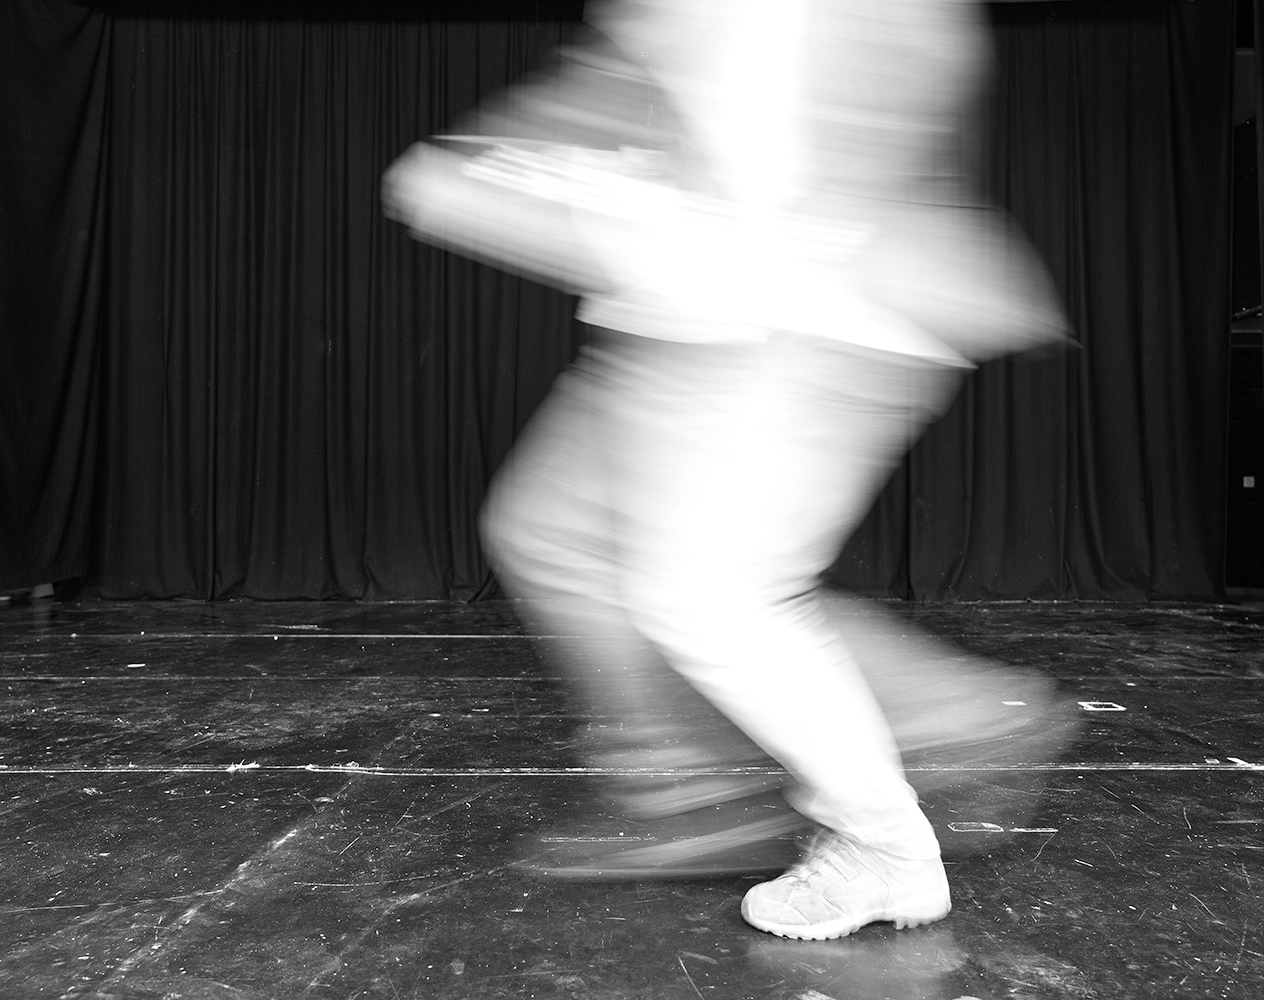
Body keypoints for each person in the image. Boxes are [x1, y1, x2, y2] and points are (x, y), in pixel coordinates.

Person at [385, 0, 1070, 941]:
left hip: (798, 316)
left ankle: (884, 846)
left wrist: (554, 200)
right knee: (554, 531)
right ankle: (704, 776)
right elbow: (625, 97)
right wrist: (510, 164)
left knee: (709, 594)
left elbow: (835, 151)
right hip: (683, 318)